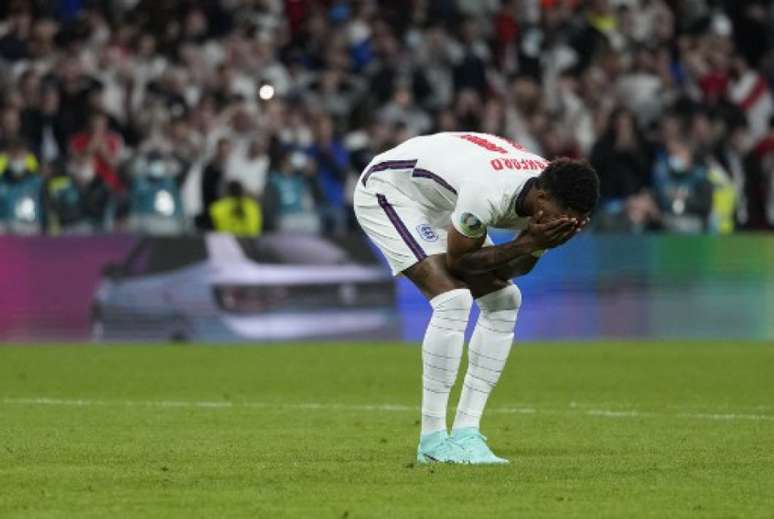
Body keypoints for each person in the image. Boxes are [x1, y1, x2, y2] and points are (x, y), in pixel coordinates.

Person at [353, 132, 599, 464]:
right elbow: (460, 263)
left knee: (505, 301)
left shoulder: (548, 192)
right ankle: (433, 439)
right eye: (565, 213)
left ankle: (467, 433)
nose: (568, 222)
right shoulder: (488, 192)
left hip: (443, 198)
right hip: (391, 190)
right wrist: (526, 242)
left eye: (577, 218)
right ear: (541, 197)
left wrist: (540, 243)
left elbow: (512, 270)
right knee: (452, 300)